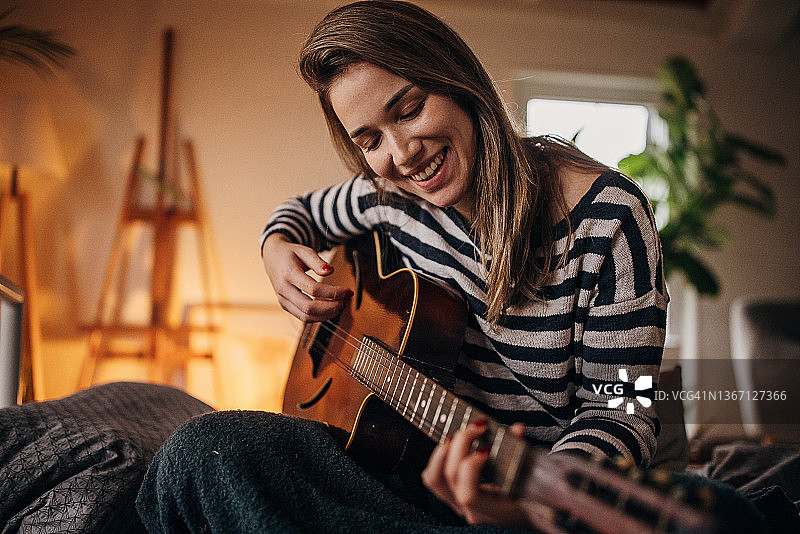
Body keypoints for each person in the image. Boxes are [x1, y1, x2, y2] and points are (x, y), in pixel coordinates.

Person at [135, 2, 778, 533]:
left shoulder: (609, 217)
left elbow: (624, 409)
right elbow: (299, 214)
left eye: (409, 109)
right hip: (404, 478)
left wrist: (527, 504)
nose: (401, 155)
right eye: (369, 140)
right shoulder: (385, 198)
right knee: (202, 450)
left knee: (728, 514)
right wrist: (276, 249)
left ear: (457, 80)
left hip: (531, 502)